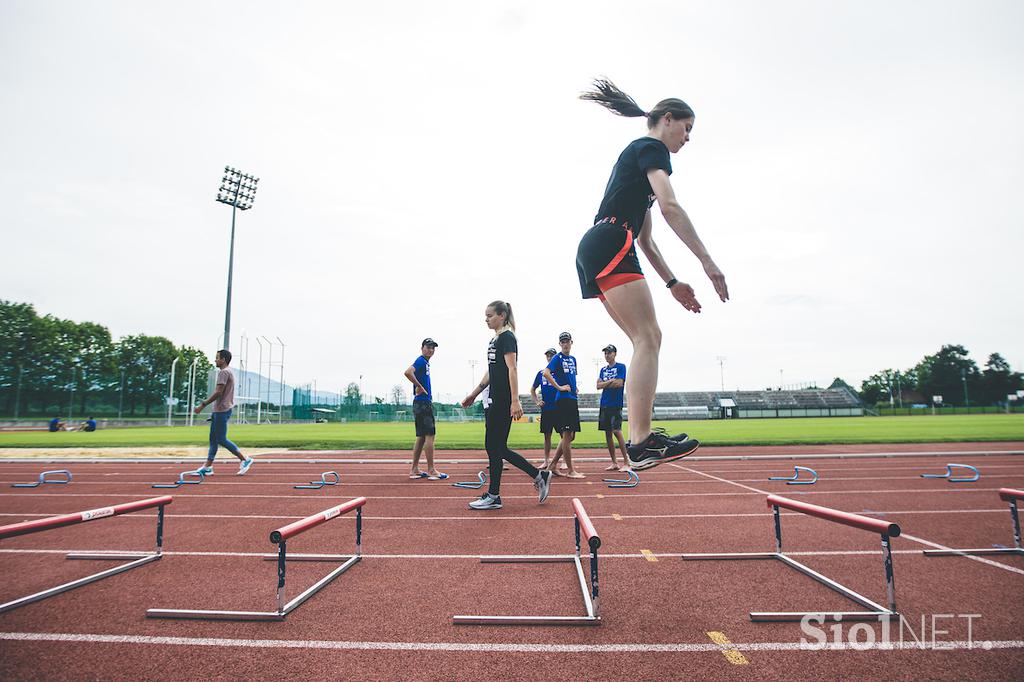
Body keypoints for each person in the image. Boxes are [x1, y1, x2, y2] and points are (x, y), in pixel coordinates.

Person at [576, 78, 729, 470]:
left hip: (606, 242)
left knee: (644, 340)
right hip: (610, 240)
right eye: (687, 128)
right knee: (649, 337)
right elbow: (670, 206)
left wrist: (673, 283)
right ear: (667, 119)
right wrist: (707, 263)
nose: (688, 138)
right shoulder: (651, 148)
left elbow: (647, 241)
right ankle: (641, 441)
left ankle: (640, 437)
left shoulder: (638, 163)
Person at [461, 300, 551, 510]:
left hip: (503, 401)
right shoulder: (495, 340)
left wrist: (514, 400)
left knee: (494, 447)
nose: (486, 319)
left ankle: (496, 495)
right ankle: (536, 476)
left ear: (501, 315)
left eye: (490, 315)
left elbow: (512, 369)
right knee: (496, 448)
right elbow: (491, 372)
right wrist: (474, 394)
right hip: (493, 399)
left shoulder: (508, 338)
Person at [194, 349, 253, 475]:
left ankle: (245, 459)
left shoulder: (224, 373)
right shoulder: (227, 372)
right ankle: (208, 467)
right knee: (213, 439)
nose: (215, 360)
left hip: (222, 410)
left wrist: (203, 405)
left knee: (221, 439)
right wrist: (213, 414)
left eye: (217, 357)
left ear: (223, 360)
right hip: (220, 410)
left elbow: (218, 393)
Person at [403, 338, 446, 480]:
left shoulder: (425, 363)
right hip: (423, 403)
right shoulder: (421, 361)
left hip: (420, 403)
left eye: (433, 348)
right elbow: (408, 372)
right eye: (428, 347)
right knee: (430, 435)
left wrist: (419, 385)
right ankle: (431, 470)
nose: (431, 350)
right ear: (422, 348)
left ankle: (414, 469)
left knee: (421, 437)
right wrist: (419, 386)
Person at [543, 332, 584, 478]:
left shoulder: (573, 359)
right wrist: (559, 387)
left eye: (567, 341)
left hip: (572, 398)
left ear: (571, 342)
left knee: (570, 436)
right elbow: (546, 373)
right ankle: (571, 471)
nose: (565, 344)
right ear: (560, 344)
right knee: (567, 434)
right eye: (563, 342)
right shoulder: (557, 357)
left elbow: (571, 377)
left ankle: (553, 464)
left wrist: (575, 388)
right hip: (564, 399)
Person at [597, 345, 628, 471]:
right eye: (605, 353)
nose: (607, 355)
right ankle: (614, 462)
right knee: (607, 433)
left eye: (609, 353)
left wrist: (606, 383)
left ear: (615, 353)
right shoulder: (603, 369)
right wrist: (610, 382)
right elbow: (598, 385)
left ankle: (626, 461)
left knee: (617, 431)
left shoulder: (621, 366)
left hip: (615, 404)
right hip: (604, 404)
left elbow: (620, 383)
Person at [530, 348, 560, 468]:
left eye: (552, 355)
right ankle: (546, 460)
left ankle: (561, 461)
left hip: (559, 408)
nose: (549, 357)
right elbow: (533, 389)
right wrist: (537, 401)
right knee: (547, 435)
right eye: (548, 355)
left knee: (564, 435)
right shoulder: (541, 373)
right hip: (546, 409)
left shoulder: (560, 372)